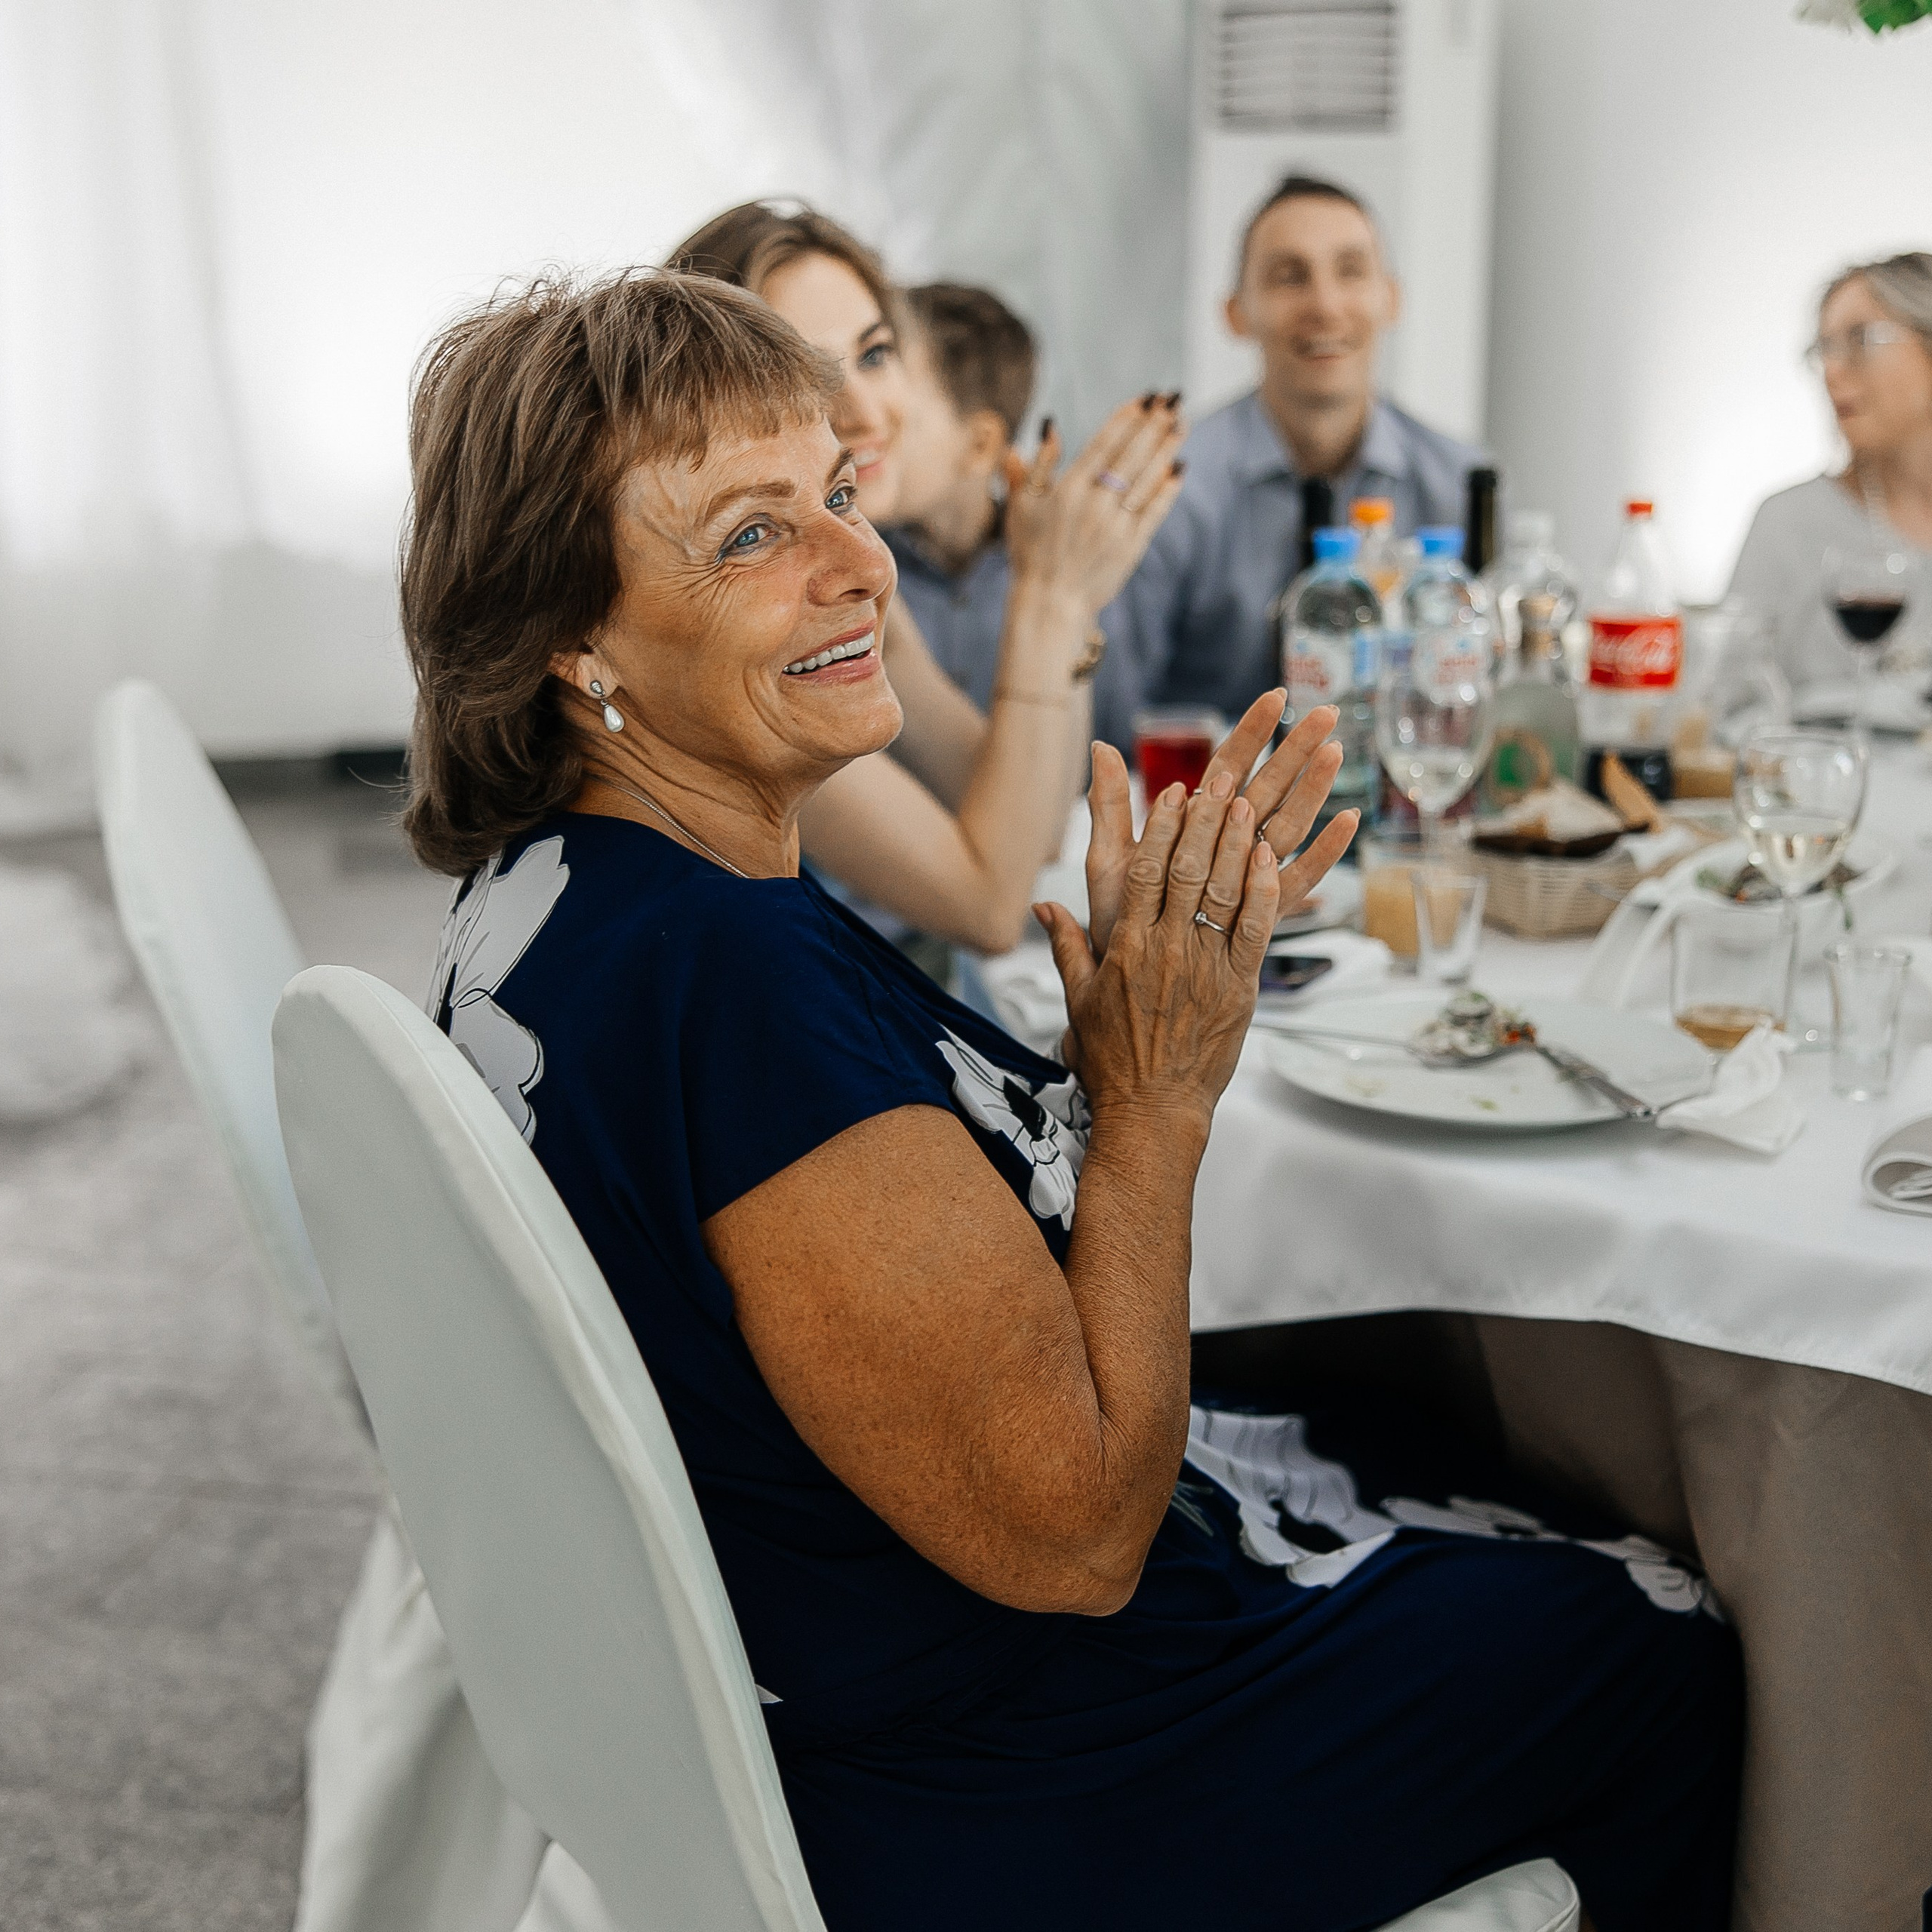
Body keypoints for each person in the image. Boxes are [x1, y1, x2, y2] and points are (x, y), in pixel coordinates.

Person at [401, 266, 1743, 1932]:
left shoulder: (554, 891)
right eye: (751, 535)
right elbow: (1075, 1535)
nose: (858, 562)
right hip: (1006, 1766)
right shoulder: (720, 974)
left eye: (835, 491)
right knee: (1655, 1630)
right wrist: (1156, 1092)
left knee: (1404, 1409)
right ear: (568, 637)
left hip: (830, 1683)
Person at [673, 202, 1180, 955]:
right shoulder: (742, 621)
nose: (865, 411)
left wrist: (1072, 598)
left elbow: (1029, 828)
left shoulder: (849, 577)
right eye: (807, 373)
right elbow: (989, 907)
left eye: (874, 355)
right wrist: (1048, 598)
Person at [1097, 174, 1487, 749]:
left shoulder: (1461, 485)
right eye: (1289, 277)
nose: (1325, 306)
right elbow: (1114, 725)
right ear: (1236, 313)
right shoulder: (1169, 489)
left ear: (1391, 298)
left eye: (1351, 272)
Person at [1729, 251, 1932, 687]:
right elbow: (1727, 712)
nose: (1833, 372)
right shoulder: (1787, 525)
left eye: (1861, 340)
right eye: (1824, 350)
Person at [883, 281, 1040, 713]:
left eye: (897, 420)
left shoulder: (1052, 573)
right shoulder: (856, 569)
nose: (863, 432)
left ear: (980, 446)